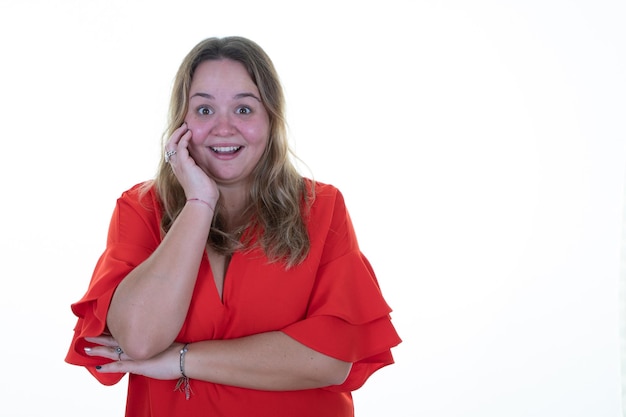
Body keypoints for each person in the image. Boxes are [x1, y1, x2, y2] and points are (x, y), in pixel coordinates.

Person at [65, 36, 401, 417]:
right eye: (205, 110)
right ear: (181, 123)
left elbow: (328, 359)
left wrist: (179, 359)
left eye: (243, 109)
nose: (224, 128)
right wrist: (199, 202)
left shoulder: (321, 208)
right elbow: (139, 340)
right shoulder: (140, 209)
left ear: (271, 119)